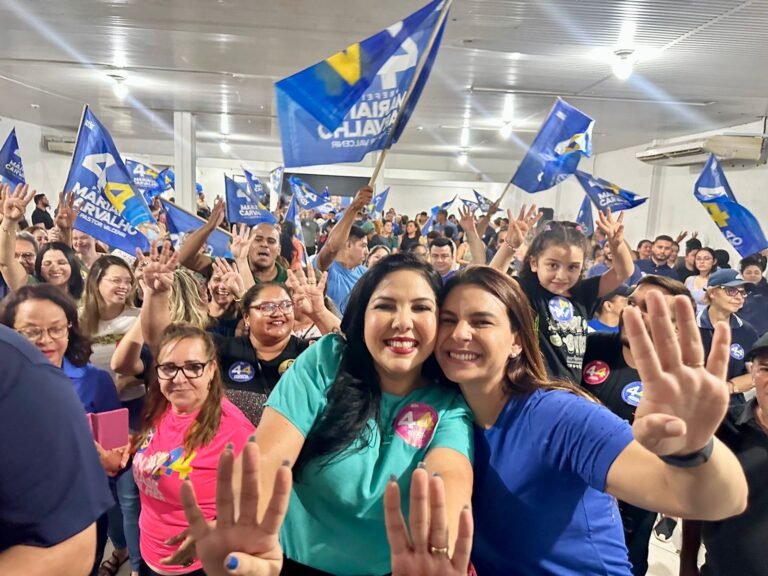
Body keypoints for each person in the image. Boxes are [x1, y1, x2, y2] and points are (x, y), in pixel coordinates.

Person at [174, 253, 474, 576]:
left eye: (421, 307)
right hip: (287, 561)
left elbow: (449, 480)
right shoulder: (327, 361)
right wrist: (240, 522)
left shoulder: (449, 404)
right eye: (385, 305)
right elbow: (268, 458)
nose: (402, 321)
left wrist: (442, 548)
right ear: (362, 315)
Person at [436, 266, 747, 575]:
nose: (460, 333)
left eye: (481, 322)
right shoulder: (439, 416)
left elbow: (717, 502)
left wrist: (694, 449)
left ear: (517, 341)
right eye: (448, 321)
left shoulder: (560, 416)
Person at [0, 285, 127, 576]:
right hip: (21, 522)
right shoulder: (7, 387)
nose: (46, 340)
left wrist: (106, 457)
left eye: (56, 329)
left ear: (70, 329)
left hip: (86, 507)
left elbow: (117, 446)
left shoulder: (95, 379)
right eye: (31, 332)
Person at [141, 241, 339, 426]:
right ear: (246, 316)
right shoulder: (222, 349)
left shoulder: (309, 351)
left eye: (285, 305)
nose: (278, 312)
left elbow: (355, 348)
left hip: (295, 455)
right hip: (230, 450)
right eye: (267, 307)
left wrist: (320, 313)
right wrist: (156, 294)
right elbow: (163, 342)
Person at [581, 276, 695, 574]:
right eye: (632, 303)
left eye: (648, 309)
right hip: (570, 504)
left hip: (629, 519)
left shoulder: (682, 381)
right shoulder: (588, 348)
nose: (633, 313)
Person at [132, 323, 255, 576]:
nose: (179, 378)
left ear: (211, 370)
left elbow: (262, 504)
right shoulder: (161, 407)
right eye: (169, 368)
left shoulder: (234, 431)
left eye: (193, 367)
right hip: (150, 554)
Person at [491, 206, 634, 382]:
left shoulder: (584, 293)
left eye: (573, 267)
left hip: (571, 389)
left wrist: (617, 243)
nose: (561, 276)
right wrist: (510, 245)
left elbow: (623, 271)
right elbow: (492, 280)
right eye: (553, 265)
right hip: (532, 387)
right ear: (534, 263)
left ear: (583, 266)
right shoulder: (526, 290)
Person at [680, 332, 768, 576]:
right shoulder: (722, 425)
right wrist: (687, 562)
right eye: (766, 369)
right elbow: (697, 497)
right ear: (752, 373)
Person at [79, 256, 144, 576]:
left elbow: (150, 360)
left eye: (127, 280)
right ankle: (118, 548)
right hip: (94, 414)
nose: (123, 286)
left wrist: (128, 380)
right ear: (96, 281)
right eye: (115, 280)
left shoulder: (138, 318)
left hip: (133, 412)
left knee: (129, 492)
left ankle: (137, 563)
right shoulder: (78, 320)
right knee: (106, 493)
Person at [179, 200, 289, 285]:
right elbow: (185, 258)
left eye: (271, 241)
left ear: (279, 250)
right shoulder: (228, 268)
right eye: (258, 239)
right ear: (247, 244)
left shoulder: (289, 280)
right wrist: (209, 226)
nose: (264, 244)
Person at [697, 268, 759, 400]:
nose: (739, 297)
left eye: (743, 292)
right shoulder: (689, 327)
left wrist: (728, 387)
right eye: (731, 290)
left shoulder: (747, 331)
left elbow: (756, 373)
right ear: (712, 292)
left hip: (732, 407)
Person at [315, 187, 372, 315]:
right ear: (347, 245)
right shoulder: (328, 271)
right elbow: (331, 248)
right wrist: (353, 208)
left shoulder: (366, 274)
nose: (367, 252)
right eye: (363, 246)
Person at [739, 254, 768, 338]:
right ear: (742, 274)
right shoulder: (736, 291)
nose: (753, 275)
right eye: (748, 272)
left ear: (761, 273)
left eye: (756, 272)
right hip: (743, 336)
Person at [685, 246, 717, 313]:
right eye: (698, 259)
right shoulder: (689, 280)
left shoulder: (717, 281)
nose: (702, 262)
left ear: (714, 261)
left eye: (706, 259)